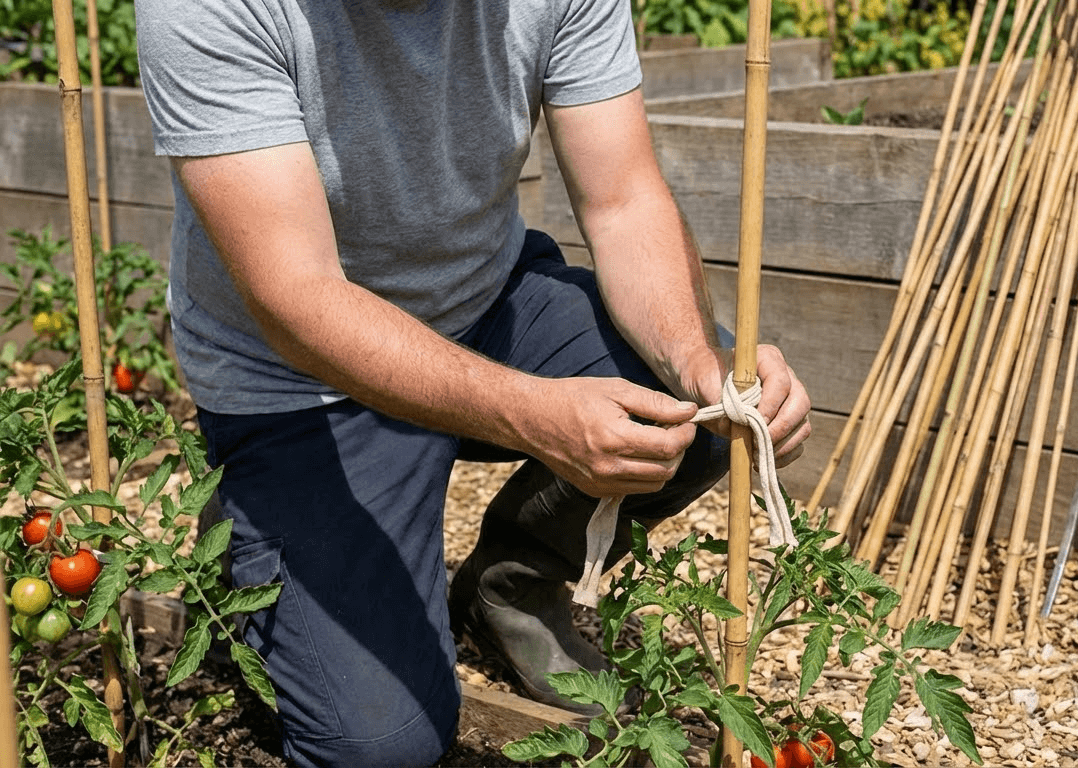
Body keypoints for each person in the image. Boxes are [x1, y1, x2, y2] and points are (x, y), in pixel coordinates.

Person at [134, 0, 812, 765]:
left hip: (482, 301)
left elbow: (622, 200)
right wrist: (532, 414)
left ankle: (509, 588)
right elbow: (298, 298)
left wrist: (702, 366)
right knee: (382, 747)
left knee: (691, 410)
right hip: (298, 379)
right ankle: (257, 533)